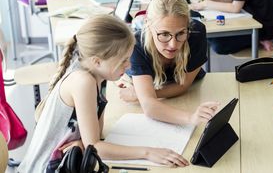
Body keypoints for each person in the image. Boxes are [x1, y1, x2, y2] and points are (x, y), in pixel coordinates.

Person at [18, 15, 189, 172]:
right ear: (97, 61)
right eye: (123, 60)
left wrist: (85, 144)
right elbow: (96, 146)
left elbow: (95, 137)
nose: (128, 66)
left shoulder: (96, 75)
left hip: (69, 163)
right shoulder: (83, 81)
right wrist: (148, 152)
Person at [118, 0, 219, 125]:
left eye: (181, 33)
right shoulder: (136, 45)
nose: (173, 45)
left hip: (192, 92)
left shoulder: (196, 32)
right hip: (155, 104)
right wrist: (191, 118)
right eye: (164, 34)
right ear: (148, 24)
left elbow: (184, 85)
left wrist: (143, 95)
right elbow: (149, 107)